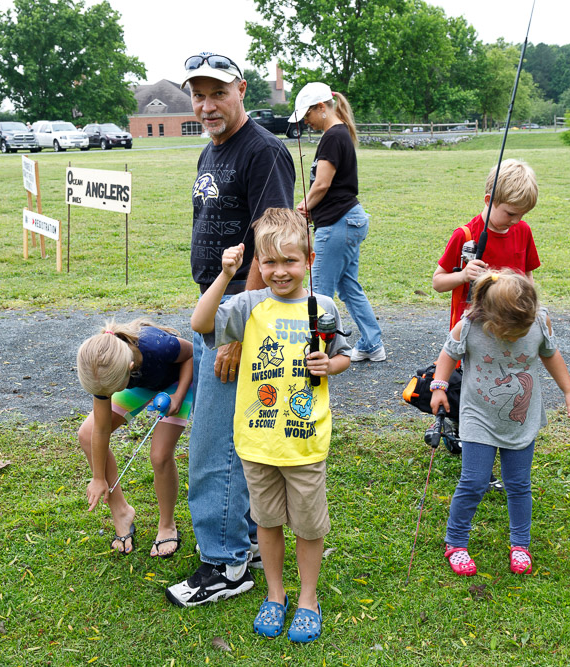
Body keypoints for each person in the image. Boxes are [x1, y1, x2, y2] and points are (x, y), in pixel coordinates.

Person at [165, 52, 296, 607]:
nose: (206, 104)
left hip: (239, 321)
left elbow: (275, 249)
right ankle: (240, 544)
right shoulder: (210, 149)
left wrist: (239, 334)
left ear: (241, 89)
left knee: (214, 444)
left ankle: (225, 565)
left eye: (217, 92)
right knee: (224, 438)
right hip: (214, 308)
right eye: (197, 93)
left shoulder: (263, 152)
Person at [191, 208, 350, 642]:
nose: (280, 272)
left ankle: (307, 599)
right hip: (257, 443)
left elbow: (345, 354)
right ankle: (275, 595)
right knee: (267, 523)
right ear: (257, 265)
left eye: (290, 261)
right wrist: (225, 276)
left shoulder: (324, 306)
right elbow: (201, 324)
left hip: (305, 442)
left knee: (309, 526)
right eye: (270, 263)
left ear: (310, 261)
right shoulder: (247, 305)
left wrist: (330, 364)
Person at [431, 270, 570, 576]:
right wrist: (439, 386)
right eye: (511, 333)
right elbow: (448, 356)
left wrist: (569, 392)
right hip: (478, 415)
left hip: (521, 418)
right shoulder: (470, 326)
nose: (516, 338)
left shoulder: (539, 322)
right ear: (491, 319)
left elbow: (551, 356)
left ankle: (520, 544)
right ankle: (456, 542)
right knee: (473, 482)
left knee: (518, 484)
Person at [76, 319, 193, 557]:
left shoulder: (158, 347)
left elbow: (191, 354)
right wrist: (98, 477)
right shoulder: (102, 368)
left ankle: (167, 524)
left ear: (130, 367)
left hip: (176, 381)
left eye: (111, 392)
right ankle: (121, 511)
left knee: (159, 455)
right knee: (87, 433)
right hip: (136, 382)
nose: (108, 396)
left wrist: (179, 397)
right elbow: (100, 429)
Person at [290, 82, 385, 362]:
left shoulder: (333, 136)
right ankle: (372, 343)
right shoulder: (338, 133)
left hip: (337, 223)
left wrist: (302, 208)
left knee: (319, 292)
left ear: (321, 108)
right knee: (348, 287)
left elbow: (322, 184)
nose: (306, 122)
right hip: (348, 220)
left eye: (307, 115)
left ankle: (319, 352)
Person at [432, 159, 541, 331]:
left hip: (512, 327)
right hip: (474, 329)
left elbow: (528, 276)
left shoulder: (523, 230)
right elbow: (438, 283)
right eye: (511, 213)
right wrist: (463, 275)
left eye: (523, 214)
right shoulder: (464, 235)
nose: (516, 220)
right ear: (489, 200)